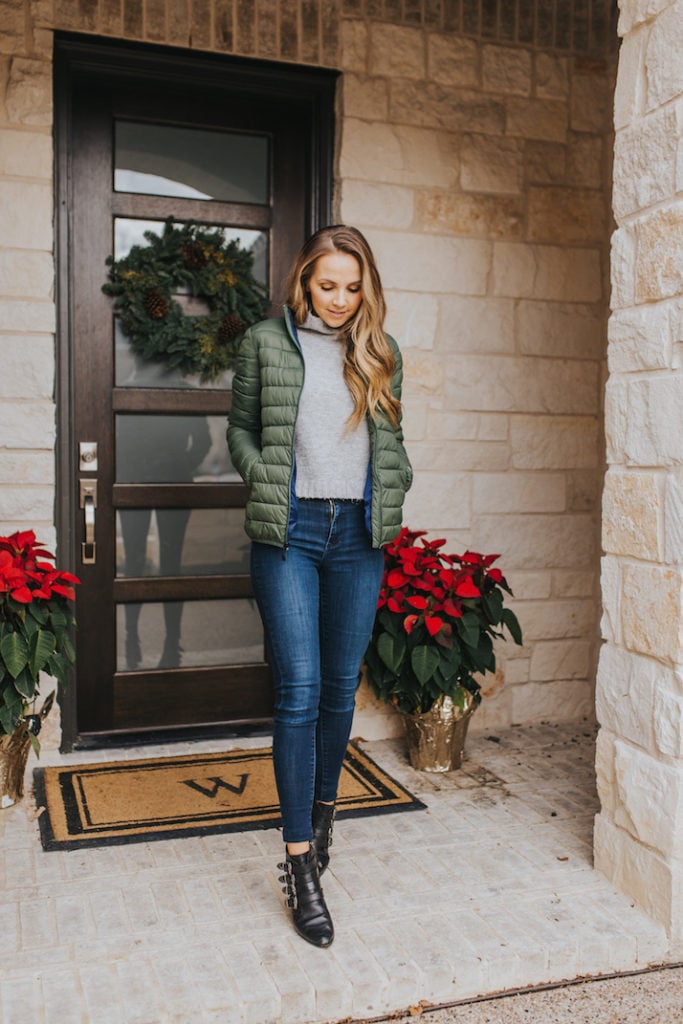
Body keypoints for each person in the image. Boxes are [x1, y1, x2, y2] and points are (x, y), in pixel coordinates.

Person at [227, 225, 412, 948]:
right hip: (289, 534)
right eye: (325, 284)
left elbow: (392, 439)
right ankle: (299, 861)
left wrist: (396, 485)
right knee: (298, 690)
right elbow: (239, 429)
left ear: (365, 287)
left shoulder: (382, 353)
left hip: (357, 537)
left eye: (350, 286)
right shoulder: (265, 344)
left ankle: (324, 811)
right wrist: (259, 474)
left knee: (340, 687)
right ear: (303, 281)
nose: (337, 300)